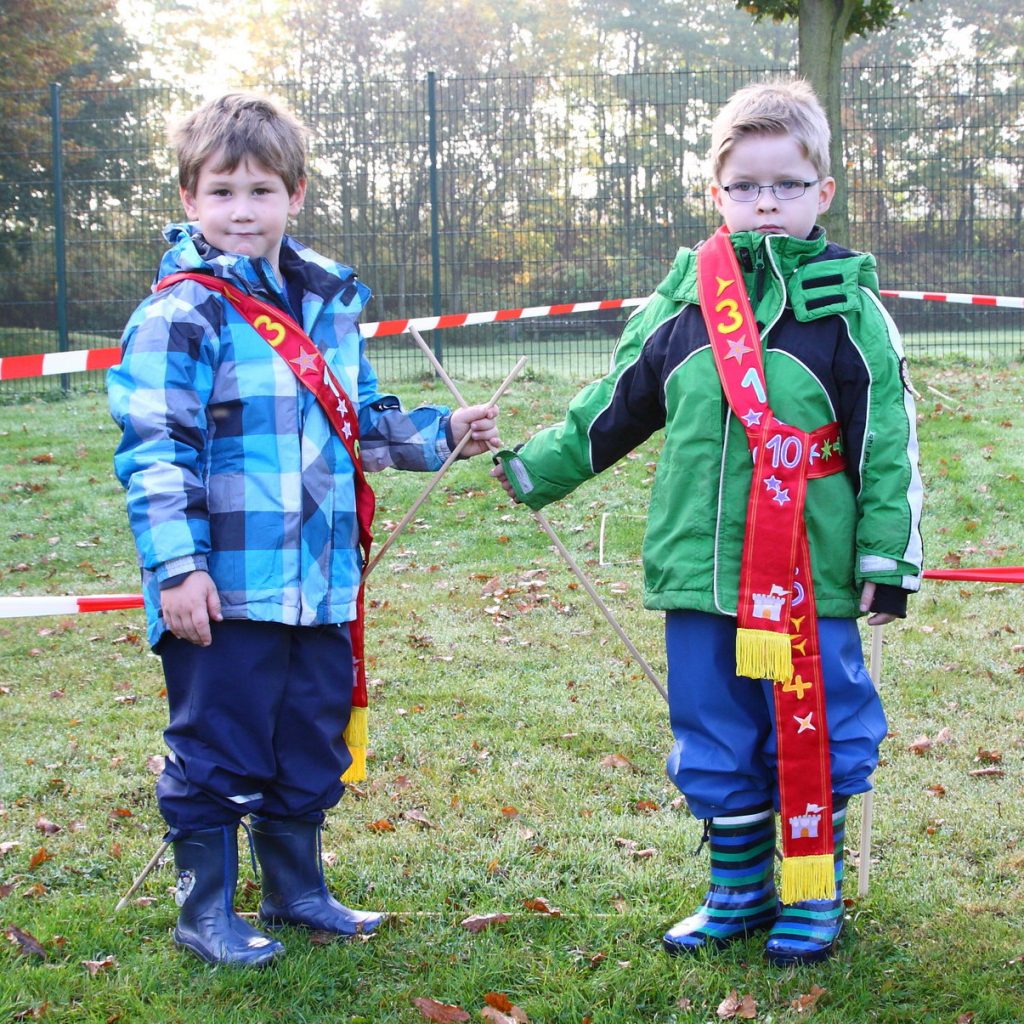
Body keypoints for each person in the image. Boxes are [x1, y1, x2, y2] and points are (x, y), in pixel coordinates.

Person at [492, 79, 923, 966]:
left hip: (814, 575)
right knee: (712, 726)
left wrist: (887, 556)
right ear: (715, 193)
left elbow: (889, 441)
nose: (766, 203)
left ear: (823, 193)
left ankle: (812, 889)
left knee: (822, 724)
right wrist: (537, 467)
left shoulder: (850, 312)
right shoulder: (685, 307)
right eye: (746, 187)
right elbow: (612, 409)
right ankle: (737, 889)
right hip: (699, 567)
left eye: (788, 185)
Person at [108, 92, 500, 968]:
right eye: (221, 192)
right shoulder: (182, 313)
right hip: (229, 585)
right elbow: (156, 452)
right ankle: (203, 911)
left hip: (320, 580)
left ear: (297, 192)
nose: (240, 211)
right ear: (188, 199)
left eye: (259, 190)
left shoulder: (327, 306)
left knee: (309, 740)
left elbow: (356, 418)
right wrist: (178, 570)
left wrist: (441, 433)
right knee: (219, 747)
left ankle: (296, 891)